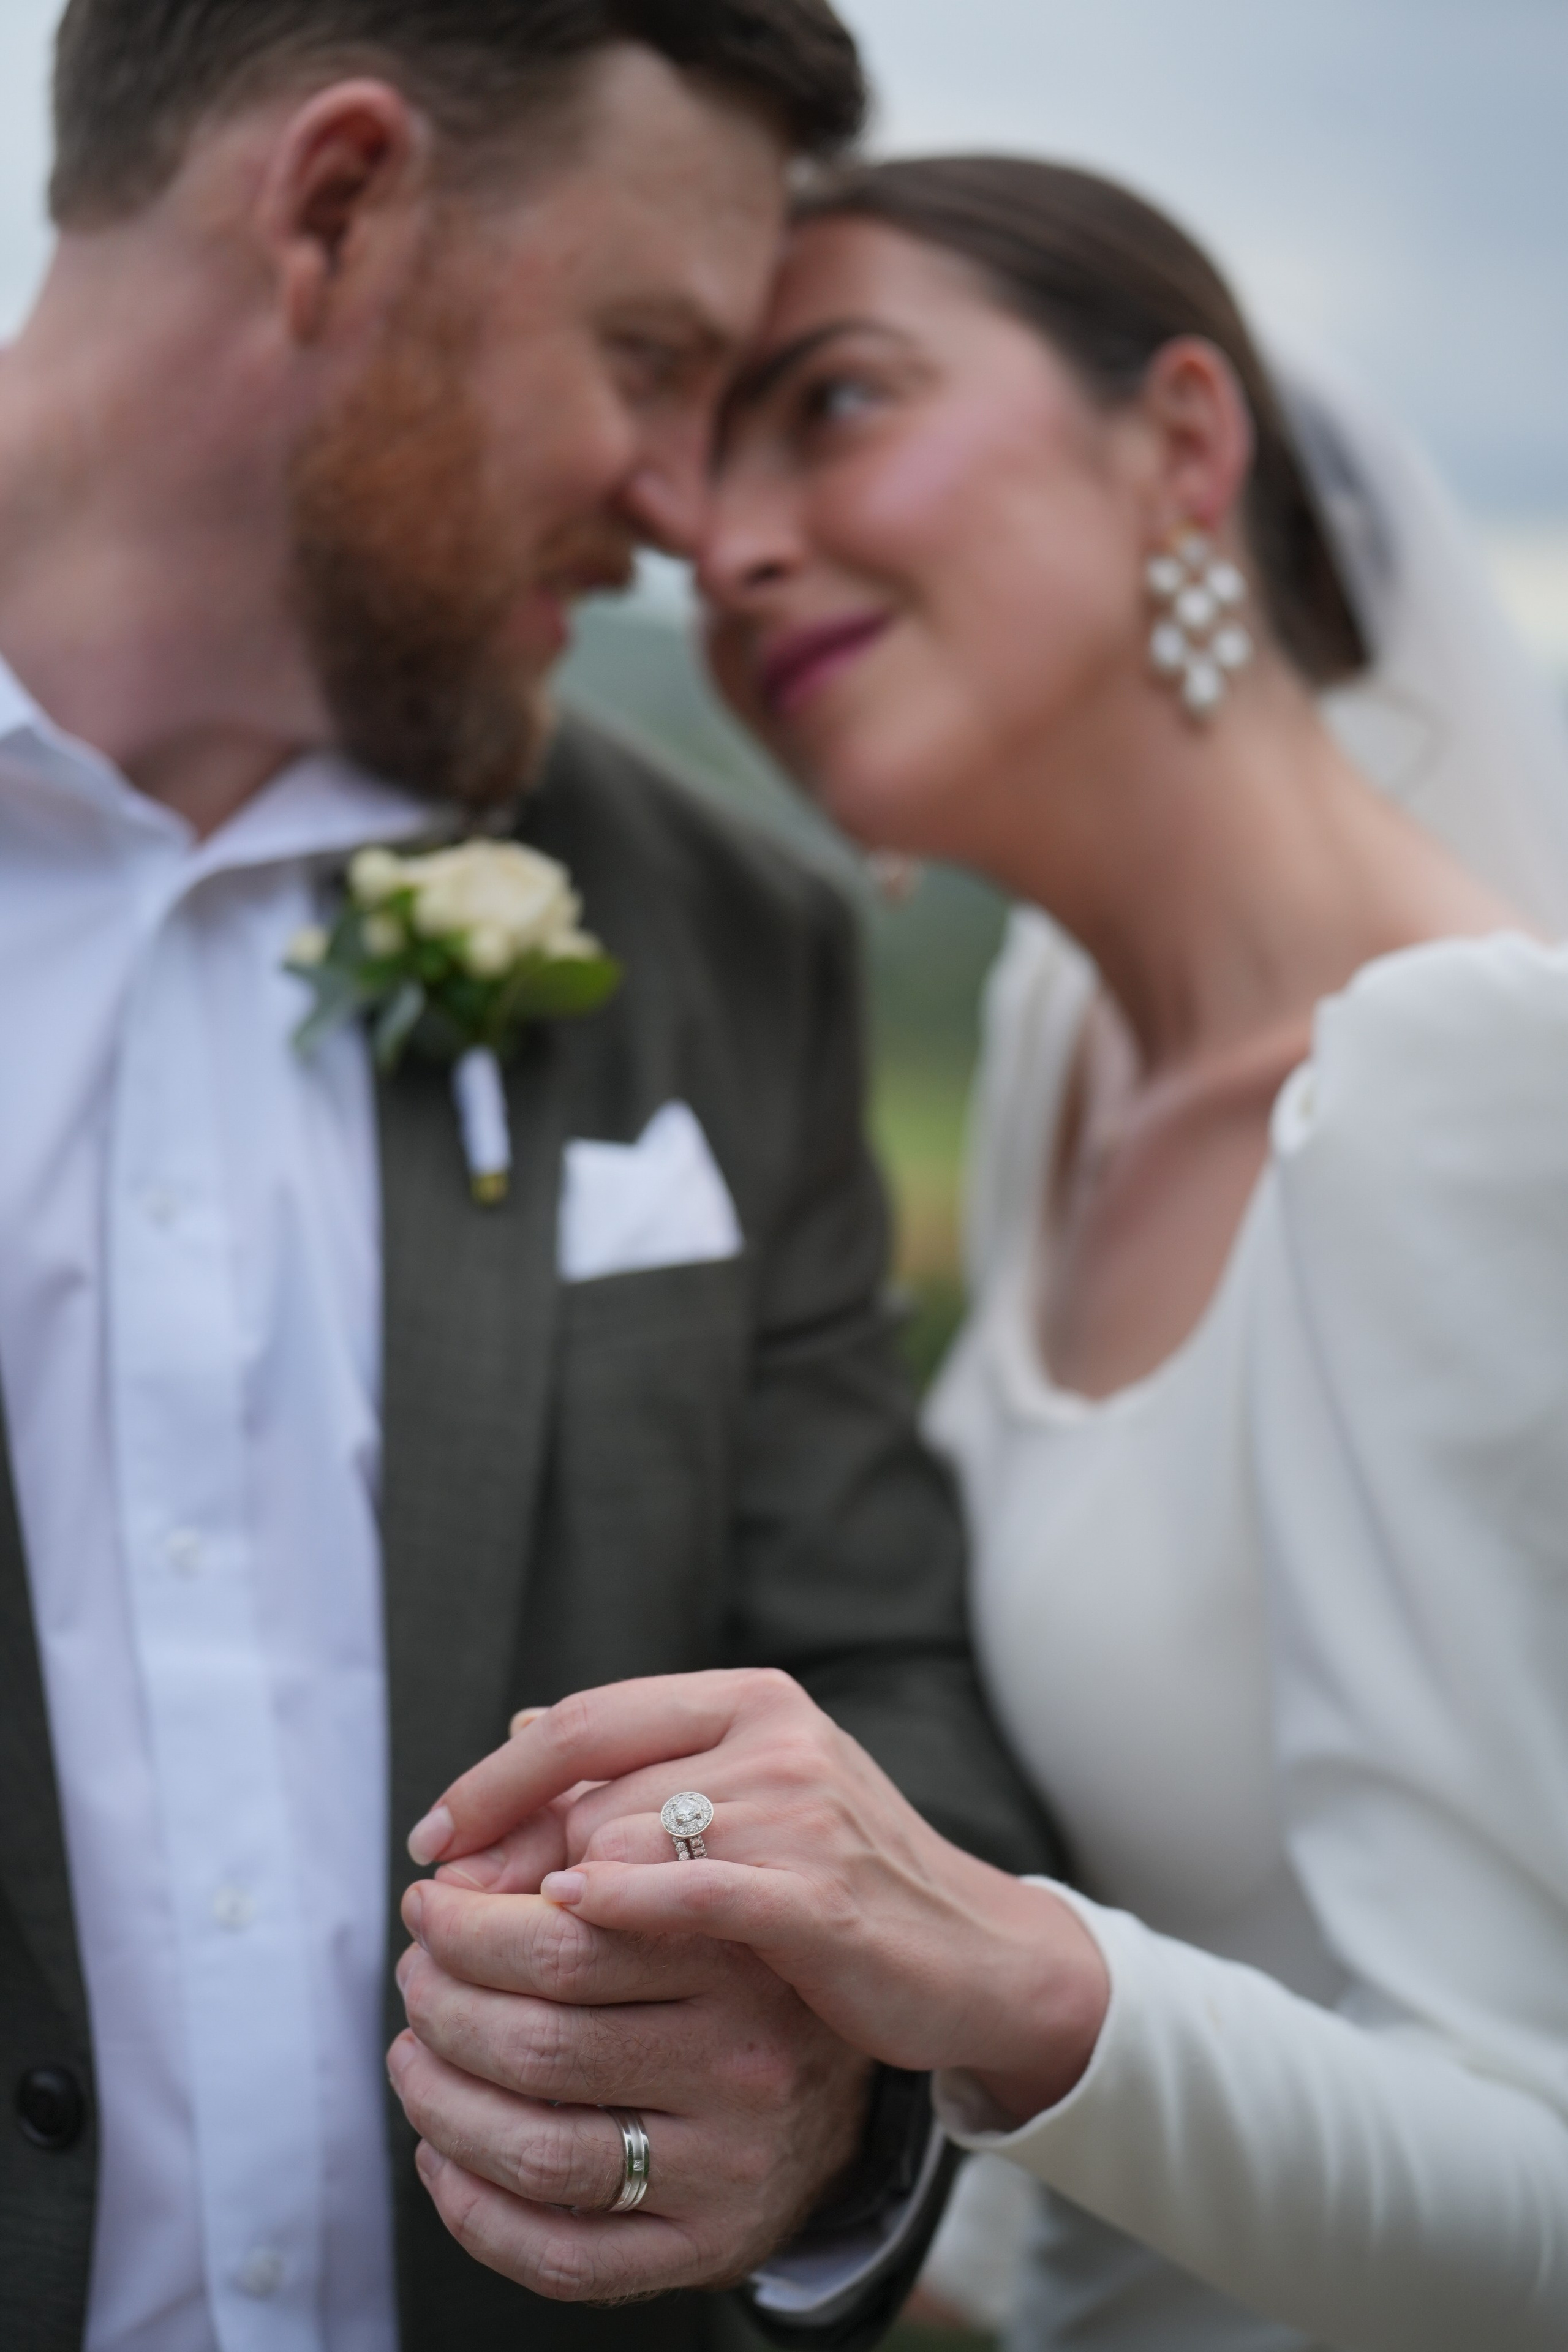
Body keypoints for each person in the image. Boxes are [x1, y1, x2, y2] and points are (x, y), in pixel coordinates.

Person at [407, 160, 1568, 2349]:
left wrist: (999, 1968)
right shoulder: (1067, 1050)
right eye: (704, 480)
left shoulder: (1473, 1087)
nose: (727, 553)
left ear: (1184, 441)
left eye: (836, 403)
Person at [0, 17, 1061, 2345]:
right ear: (337, 209)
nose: (689, 508)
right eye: (649, 356)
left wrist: (825, 2083)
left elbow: (888, 1685)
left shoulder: (728, 933)